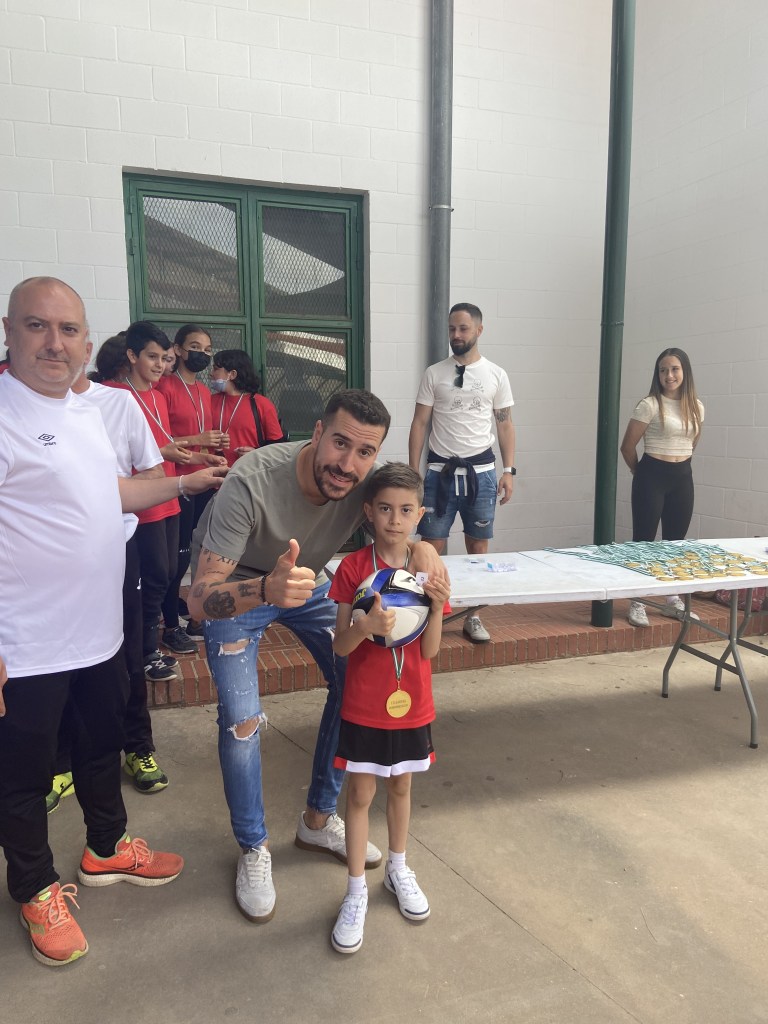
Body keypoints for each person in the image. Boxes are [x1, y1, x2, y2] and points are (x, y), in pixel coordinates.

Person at [0, 277, 225, 967]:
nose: (54, 342)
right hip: (25, 646)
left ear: (87, 343)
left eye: (68, 330)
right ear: (9, 332)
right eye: (37, 326)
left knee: (100, 748)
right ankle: (34, 887)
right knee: (22, 776)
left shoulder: (83, 412)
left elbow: (107, 491)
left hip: (98, 633)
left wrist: (182, 482)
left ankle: (106, 848)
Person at [186, 390, 447, 925]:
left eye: (365, 452)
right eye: (340, 444)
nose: (348, 464)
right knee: (241, 719)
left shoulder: (361, 486)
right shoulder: (252, 481)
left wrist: (424, 547)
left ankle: (318, 818)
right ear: (318, 432)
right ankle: (253, 847)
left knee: (355, 676)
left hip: (305, 585)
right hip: (240, 588)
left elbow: (400, 512)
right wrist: (266, 589)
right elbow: (197, 599)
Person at [327, 464, 450, 955]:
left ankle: (398, 869)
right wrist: (365, 627)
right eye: (384, 509)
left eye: (405, 510)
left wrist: (436, 607)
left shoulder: (430, 571)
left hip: (412, 702)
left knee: (402, 786)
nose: (395, 520)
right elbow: (339, 647)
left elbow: (430, 651)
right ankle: (356, 890)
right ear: (368, 513)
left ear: (420, 514)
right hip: (364, 705)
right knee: (360, 793)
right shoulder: (353, 569)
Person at [409, 302, 516, 644]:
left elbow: (505, 425)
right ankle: (425, 612)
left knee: (478, 546)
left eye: (463, 328)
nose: (456, 335)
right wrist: (413, 473)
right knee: (430, 545)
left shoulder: (496, 375)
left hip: (481, 474)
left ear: (479, 330)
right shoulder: (434, 373)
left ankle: (474, 614)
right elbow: (419, 423)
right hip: (439, 473)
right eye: (452, 329)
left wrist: (509, 470)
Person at [620, 348, 705, 627]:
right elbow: (627, 446)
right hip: (651, 477)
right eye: (663, 370)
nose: (669, 375)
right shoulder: (650, 405)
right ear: (657, 374)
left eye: (674, 369)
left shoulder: (697, 407)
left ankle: (671, 599)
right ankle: (638, 600)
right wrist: (641, 473)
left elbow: (692, 443)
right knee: (643, 543)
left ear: (685, 372)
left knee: (675, 543)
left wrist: (678, 463)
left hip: (682, 478)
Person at [157, 324, 227, 653]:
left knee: (197, 552)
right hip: (177, 482)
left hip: (204, 480)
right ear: (179, 349)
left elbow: (202, 438)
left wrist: (212, 453)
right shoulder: (164, 387)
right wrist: (198, 440)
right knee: (178, 556)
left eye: (208, 349)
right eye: (195, 347)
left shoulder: (203, 390)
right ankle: (170, 624)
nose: (202, 354)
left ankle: (179, 609)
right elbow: (157, 441)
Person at [210, 348, 284, 467]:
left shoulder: (261, 404)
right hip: (213, 474)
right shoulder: (209, 401)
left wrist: (256, 453)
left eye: (216, 369)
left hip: (249, 473)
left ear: (232, 374)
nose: (211, 373)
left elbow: (278, 447)